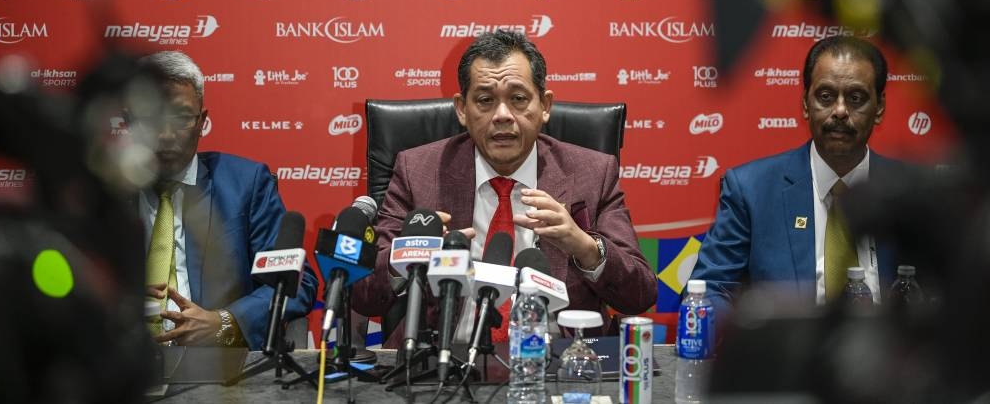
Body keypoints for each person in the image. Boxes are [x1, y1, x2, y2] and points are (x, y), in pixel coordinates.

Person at [352, 30, 657, 340]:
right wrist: (409, 255)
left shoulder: (593, 173)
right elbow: (363, 296)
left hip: (559, 360)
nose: (502, 116)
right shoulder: (417, 171)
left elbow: (640, 295)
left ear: (545, 105)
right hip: (444, 356)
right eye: (485, 100)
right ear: (461, 109)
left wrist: (585, 247)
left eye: (518, 99)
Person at [690, 35, 909, 315]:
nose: (840, 111)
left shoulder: (906, 193)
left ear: (879, 107)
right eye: (826, 96)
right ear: (806, 104)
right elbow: (708, 290)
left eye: (856, 98)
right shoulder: (751, 190)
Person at [133, 51, 318, 348]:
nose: (166, 134)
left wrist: (225, 322)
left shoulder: (245, 184)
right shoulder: (103, 193)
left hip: (218, 364)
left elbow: (297, 285)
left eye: (181, 117)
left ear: (201, 121)